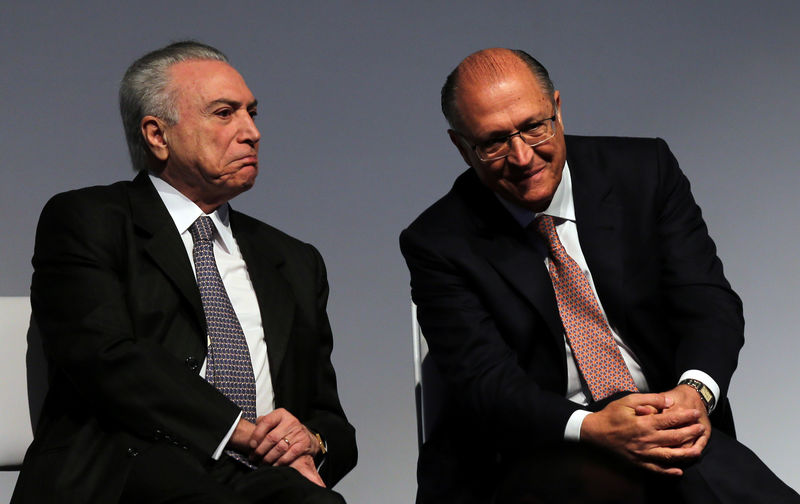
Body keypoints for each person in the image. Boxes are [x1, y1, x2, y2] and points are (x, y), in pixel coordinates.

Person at [400, 47, 798, 503]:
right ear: (461, 146)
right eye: (493, 142)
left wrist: (694, 393)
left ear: (558, 108)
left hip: (665, 415)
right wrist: (592, 426)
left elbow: (708, 302)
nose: (522, 157)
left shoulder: (645, 171)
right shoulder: (437, 241)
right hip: (533, 445)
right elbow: (486, 383)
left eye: (534, 127)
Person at [12, 41, 356, 504]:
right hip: (128, 472)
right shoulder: (89, 219)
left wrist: (310, 443)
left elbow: (328, 416)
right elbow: (106, 358)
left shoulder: (295, 261)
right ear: (158, 135)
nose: (251, 131)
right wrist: (239, 431)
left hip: (262, 482)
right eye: (224, 113)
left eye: (252, 113)